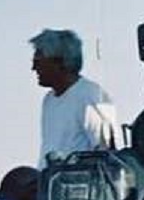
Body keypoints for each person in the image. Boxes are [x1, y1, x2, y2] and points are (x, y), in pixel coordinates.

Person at [29, 28, 118, 167]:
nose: (34, 68)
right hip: (51, 178)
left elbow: (107, 153)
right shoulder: (49, 100)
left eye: (38, 61)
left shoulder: (91, 96)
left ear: (59, 62)